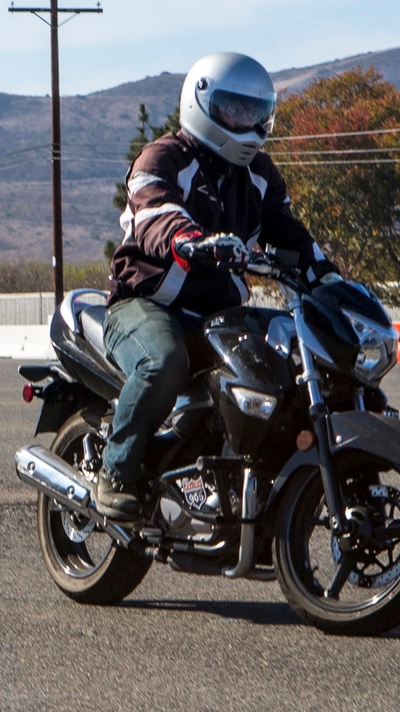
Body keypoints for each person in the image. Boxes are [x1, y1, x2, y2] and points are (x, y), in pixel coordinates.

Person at [98, 51, 330, 519]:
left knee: (279, 366)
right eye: (233, 109)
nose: (245, 121)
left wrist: (326, 276)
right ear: (200, 103)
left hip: (217, 316)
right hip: (148, 305)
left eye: (254, 111)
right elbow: (156, 211)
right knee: (163, 362)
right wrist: (191, 241)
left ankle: (246, 479)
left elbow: (287, 232)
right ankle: (115, 473)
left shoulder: (259, 174)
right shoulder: (162, 157)